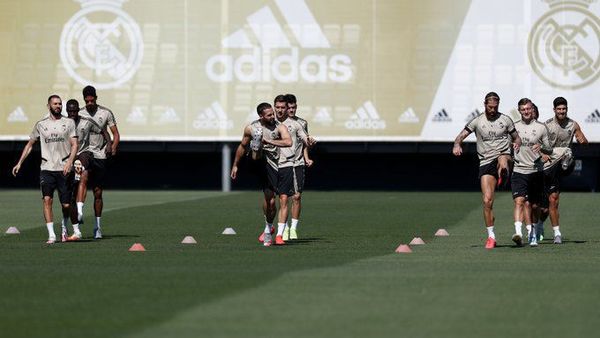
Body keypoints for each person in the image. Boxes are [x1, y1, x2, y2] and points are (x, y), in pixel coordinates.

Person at [452, 92, 521, 249]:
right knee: (487, 200)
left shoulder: (505, 120)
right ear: (485, 104)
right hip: (485, 161)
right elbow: (460, 136)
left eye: (495, 107)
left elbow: (517, 137)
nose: (493, 109)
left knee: (503, 160)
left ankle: (503, 172)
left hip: (504, 155)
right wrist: (457, 145)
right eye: (490, 107)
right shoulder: (477, 121)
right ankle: (491, 237)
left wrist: (517, 143)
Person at [12, 95, 78, 244]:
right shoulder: (41, 124)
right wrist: (19, 163)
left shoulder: (68, 123)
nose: (58, 106)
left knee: (66, 205)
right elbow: (30, 144)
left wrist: (70, 162)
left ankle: (64, 225)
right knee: (47, 200)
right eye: (55, 104)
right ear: (48, 106)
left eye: (60, 104)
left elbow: (74, 144)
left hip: (64, 168)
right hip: (47, 168)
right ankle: (51, 235)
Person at [230, 102, 292, 246]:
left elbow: (288, 141)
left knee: (270, 201)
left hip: (273, 164)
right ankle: (256, 147)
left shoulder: (279, 127)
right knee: (254, 148)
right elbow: (242, 146)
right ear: (260, 116)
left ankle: (268, 227)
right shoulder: (251, 127)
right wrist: (235, 165)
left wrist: (269, 140)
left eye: (273, 113)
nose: (273, 116)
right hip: (258, 163)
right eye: (269, 114)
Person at [541, 97, 588, 244]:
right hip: (547, 166)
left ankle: (557, 234)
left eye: (564, 109)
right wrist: (543, 155)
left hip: (562, 164)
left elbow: (584, 141)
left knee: (554, 200)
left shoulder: (573, 125)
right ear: (554, 110)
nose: (562, 111)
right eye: (559, 109)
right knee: (544, 207)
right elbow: (538, 145)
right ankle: (539, 224)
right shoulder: (547, 125)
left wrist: (582, 141)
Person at [273, 95, 315, 244]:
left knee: (296, 196)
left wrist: (306, 157)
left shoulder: (300, 123)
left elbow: (304, 141)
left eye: (292, 107)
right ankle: (274, 227)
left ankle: (292, 228)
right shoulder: (273, 123)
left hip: (296, 162)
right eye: (286, 107)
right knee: (279, 199)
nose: (289, 110)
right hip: (278, 164)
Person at [510, 98, 552, 247]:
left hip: (536, 171)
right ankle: (518, 233)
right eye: (523, 110)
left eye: (528, 109)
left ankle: (533, 233)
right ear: (519, 111)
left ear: (532, 109)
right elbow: (507, 146)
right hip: (519, 170)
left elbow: (549, 149)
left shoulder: (541, 127)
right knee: (520, 201)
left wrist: (541, 147)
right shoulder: (513, 127)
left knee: (535, 206)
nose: (526, 112)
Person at [64, 99, 108, 241]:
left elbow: (102, 131)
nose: (72, 114)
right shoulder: (62, 123)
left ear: (78, 110)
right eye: (69, 111)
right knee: (66, 196)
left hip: (84, 155)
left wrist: (109, 144)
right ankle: (65, 228)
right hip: (65, 160)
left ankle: (81, 212)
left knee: (83, 174)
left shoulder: (86, 121)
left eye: (74, 111)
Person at [80, 85, 119, 239]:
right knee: (82, 180)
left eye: (92, 100)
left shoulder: (105, 112)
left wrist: (113, 147)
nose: (89, 103)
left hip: (100, 156)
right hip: (84, 154)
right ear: (84, 100)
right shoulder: (79, 114)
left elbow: (115, 134)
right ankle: (79, 213)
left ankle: (97, 227)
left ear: (96, 98)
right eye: (87, 101)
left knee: (97, 192)